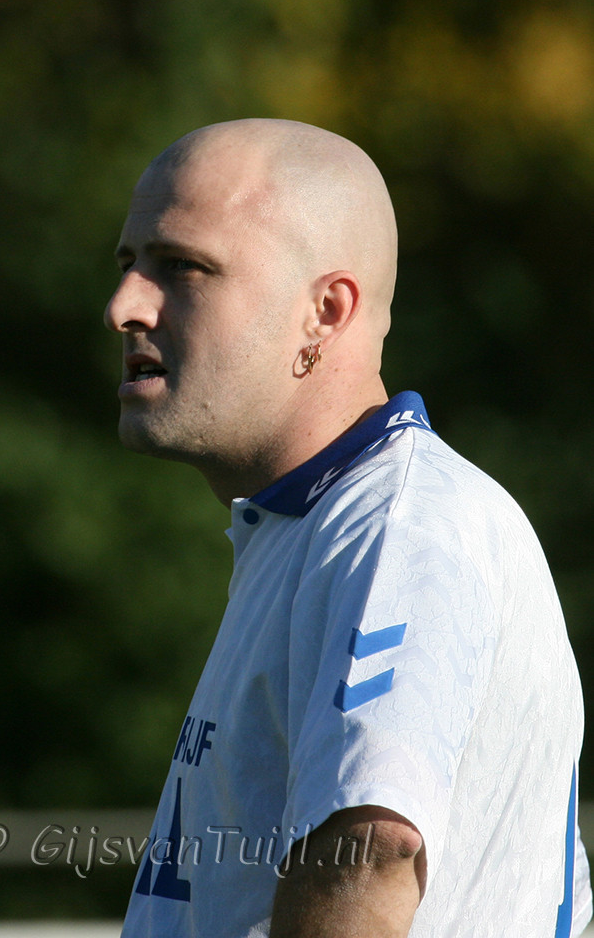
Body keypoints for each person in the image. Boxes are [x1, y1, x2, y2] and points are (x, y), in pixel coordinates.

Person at [104, 118, 592, 938]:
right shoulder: (317, 524)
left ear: (324, 313)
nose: (123, 306)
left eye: (182, 267)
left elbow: (369, 855)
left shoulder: (398, 529)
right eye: (127, 263)